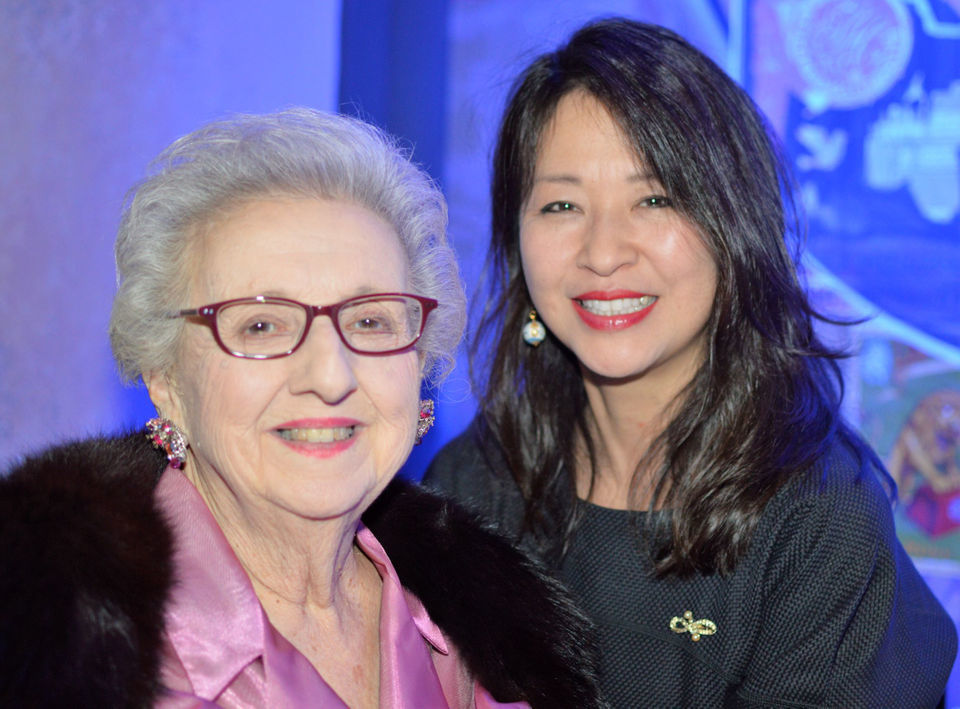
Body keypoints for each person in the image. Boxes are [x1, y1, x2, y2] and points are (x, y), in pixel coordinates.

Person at [425, 18, 957, 708]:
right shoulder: (470, 488)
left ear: (733, 224)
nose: (603, 253)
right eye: (561, 204)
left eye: (654, 199)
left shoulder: (818, 521)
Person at [0, 109, 603, 708]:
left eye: (369, 321)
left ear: (419, 364)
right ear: (166, 380)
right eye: (261, 325)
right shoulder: (66, 654)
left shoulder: (482, 637)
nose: (330, 376)